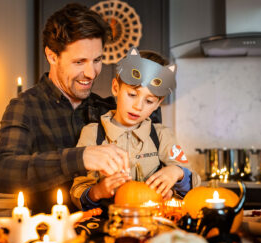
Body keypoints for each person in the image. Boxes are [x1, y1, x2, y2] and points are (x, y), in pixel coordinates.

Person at [0, 3, 131, 213]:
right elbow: (1, 172)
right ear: (52, 56)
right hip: (50, 238)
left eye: (97, 60)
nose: (91, 73)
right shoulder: (25, 107)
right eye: (80, 62)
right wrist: (80, 157)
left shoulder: (107, 109)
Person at [70, 47, 201, 211]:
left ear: (157, 104)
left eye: (149, 101)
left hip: (154, 223)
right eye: (132, 95)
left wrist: (177, 172)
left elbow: (194, 183)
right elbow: (76, 191)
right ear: (116, 88)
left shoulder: (161, 136)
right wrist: (97, 192)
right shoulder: (92, 134)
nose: (138, 106)